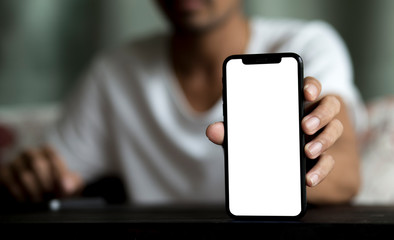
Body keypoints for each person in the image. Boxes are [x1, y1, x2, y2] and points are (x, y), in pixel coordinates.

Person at [0, 0, 365, 206]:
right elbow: (56, 177)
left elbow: (347, 175)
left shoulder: (307, 44)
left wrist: (285, 175)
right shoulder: (115, 74)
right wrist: (32, 179)